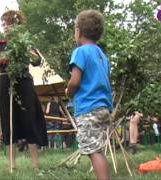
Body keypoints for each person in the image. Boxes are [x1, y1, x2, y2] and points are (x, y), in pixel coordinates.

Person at [0, 10, 48, 170]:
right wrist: (2, 57)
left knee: (30, 120)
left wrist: (27, 51)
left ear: (17, 26)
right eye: (3, 24)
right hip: (5, 81)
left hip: (24, 82)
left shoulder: (26, 42)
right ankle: (12, 166)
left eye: (8, 23)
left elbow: (37, 61)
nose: (5, 27)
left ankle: (35, 165)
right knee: (8, 121)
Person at [66, 10, 112, 180]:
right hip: (103, 108)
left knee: (93, 151)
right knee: (98, 149)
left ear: (78, 31)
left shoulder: (80, 52)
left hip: (88, 109)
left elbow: (75, 81)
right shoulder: (101, 54)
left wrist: (68, 91)